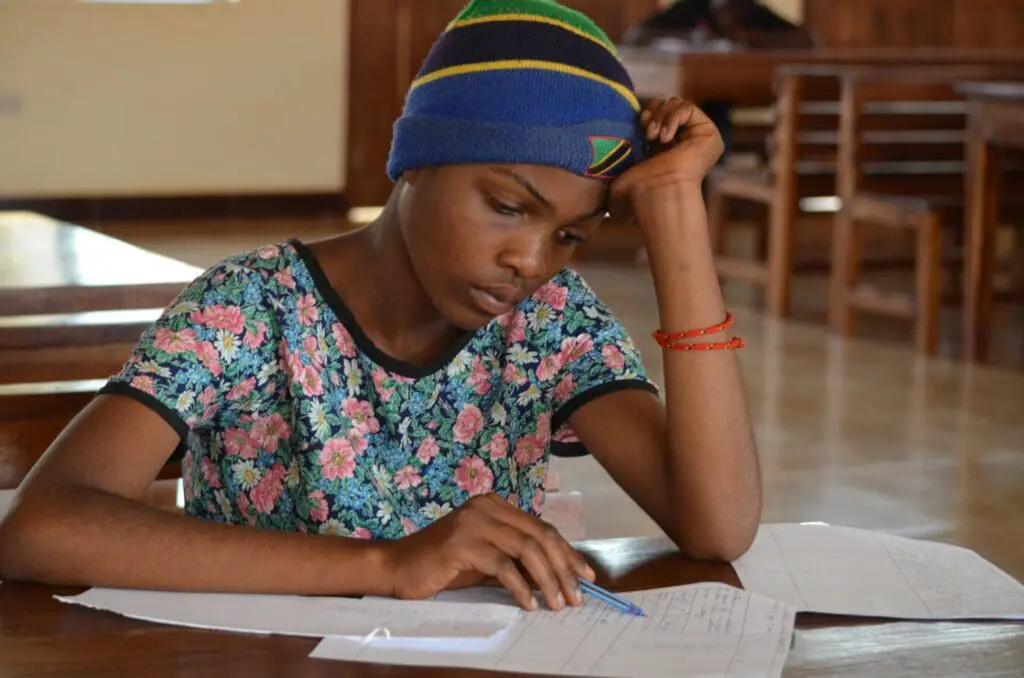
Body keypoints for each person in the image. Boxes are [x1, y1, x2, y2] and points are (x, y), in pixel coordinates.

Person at [0, 0, 761, 613]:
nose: (530, 261)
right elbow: (41, 529)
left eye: (570, 234)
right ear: (415, 164)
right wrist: (388, 565)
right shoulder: (250, 309)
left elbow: (716, 527)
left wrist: (675, 210)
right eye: (504, 205)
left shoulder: (547, 321)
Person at [624, 0, 816, 157]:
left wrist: (749, 38)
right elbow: (635, 36)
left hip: (735, 87)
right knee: (698, 118)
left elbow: (807, 40)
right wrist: (695, 36)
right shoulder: (691, 9)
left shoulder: (752, 10)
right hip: (696, 98)